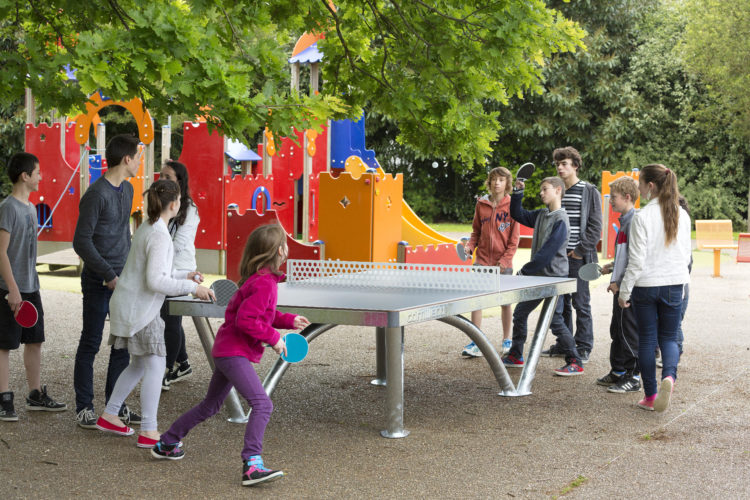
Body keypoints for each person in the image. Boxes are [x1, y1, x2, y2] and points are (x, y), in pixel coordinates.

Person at [152, 224, 310, 488]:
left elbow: (263, 315)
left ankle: (168, 442)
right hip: (233, 353)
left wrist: (289, 320)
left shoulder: (262, 280)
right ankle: (252, 464)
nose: (288, 246)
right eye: (285, 242)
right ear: (279, 250)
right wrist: (274, 339)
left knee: (210, 406)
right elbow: (247, 321)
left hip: (227, 351)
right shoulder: (264, 283)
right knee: (262, 404)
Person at [95, 180, 213, 446]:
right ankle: (149, 431)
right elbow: (155, 282)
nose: (180, 204)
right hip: (141, 311)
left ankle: (110, 414)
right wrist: (193, 288)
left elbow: (160, 273)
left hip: (134, 307)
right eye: (180, 200)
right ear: (173, 204)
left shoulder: (150, 228)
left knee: (138, 364)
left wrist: (186, 275)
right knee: (157, 364)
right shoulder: (158, 234)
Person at [73, 134, 142, 429]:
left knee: (122, 346)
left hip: (122, 283)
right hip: (98, 282)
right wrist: (109, 275)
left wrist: (128, 274)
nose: (139, 161)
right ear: (127, 159)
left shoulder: (127, 190)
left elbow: (122, 236)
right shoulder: (96, 194)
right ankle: (84, 407)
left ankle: (115, 407)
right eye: (137, 156)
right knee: (91, 343)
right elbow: (81, 242)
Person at [619, 164, 691, 412]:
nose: (638, 186)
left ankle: (650, 396)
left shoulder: (642, 217)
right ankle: (669, 377)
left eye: (640, 182)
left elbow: (636, 261)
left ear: (650, 186)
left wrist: (624, 292)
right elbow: (687, 256)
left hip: (646, 286)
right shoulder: (683, 215)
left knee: (647, 340)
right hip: (674, 283)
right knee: (669, 337)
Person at [0, 153, 66, 421]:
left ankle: (35, 394)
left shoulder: (29, 208)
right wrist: (13, 289)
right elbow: (1, 252)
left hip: (31, 286)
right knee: (4, 345)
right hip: (9, 289)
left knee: (35, 340)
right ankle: (4, 399)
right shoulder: (8, 208)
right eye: (37, 172)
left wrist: (28, 286)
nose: (41, 176)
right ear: (25, 176)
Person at [502, 176, 584, 376]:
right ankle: (516, 354)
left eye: (544, 189)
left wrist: (524, 271)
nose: (541, 193)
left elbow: (547, 253)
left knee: (555, 321)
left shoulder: (561, 219)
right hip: (537, 278)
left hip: (554, 280)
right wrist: (518, 192)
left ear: (557, 190)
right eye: (540, 189)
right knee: (520, 313)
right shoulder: (541, 215)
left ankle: (575, 361)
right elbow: (516, 213)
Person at [543, 147, 602, 363]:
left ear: (575, 165)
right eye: (557, 164)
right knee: (561, 303)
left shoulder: (589, 190)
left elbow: (596, 227)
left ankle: (584, 346)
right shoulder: (556, 191)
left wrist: (578, 251)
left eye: (564, 163)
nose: (560, 167)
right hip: (558, 258)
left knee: (581, 303)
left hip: (579, 258)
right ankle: (565, 344)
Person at [461, 167, 520, 357]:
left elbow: (514, 240)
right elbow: (475, 232)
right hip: (482, 262)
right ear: (489, 182)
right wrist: (470, 247)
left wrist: (505, 260)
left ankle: (507, 339)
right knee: (477, 301)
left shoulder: (513, 206)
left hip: (502, 264)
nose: (497, 183)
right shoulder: (481, 204)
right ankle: (476, 341)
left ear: (507, 184)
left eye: (501, 180)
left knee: (505, 303)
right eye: (494, 179)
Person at [158, 160, 201, 391]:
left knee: (171, 320)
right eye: (161, 176)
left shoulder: (189, 210)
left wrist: (155, 253)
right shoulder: (160, 204)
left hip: (180, 270)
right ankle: (182, 363)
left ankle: (165, 370)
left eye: (168, 177)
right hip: (165, 268)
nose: (162, 180)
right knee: (168, 317)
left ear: (179, 182)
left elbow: (179, 244)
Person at [596, 177, 641, 393]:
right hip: (620, 287)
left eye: (613, 197)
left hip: (628, 290)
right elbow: (625, 255)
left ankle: (635, 377)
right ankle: (619, 371)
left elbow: (636, 259)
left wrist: (619, 284)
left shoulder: (634, 222)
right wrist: (611, 267)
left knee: (628, 333)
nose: (611, 201)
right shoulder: (624, 220)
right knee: (617, 330)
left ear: (627, 197)